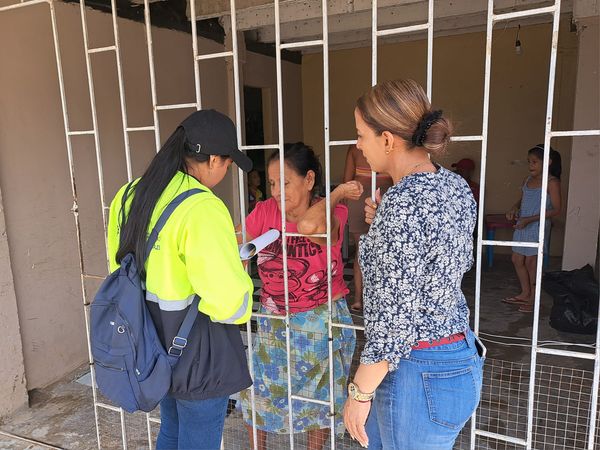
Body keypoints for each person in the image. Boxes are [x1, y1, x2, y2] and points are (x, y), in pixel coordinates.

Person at [342, 79, 485, 450]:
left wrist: (359, 393)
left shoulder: (403, 203)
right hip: (459, 357)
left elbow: (394, 320)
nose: (358, 145)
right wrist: (383, 227)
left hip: (418, 369)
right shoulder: (454, 185)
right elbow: (442, 262)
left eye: (361, 135)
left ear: (388, 140)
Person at [106, 110, 255, 450]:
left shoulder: (127, 194)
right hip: (196, 351)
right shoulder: (202, 207)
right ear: (213, 159)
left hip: (147, 343)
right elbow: (228, 302)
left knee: (171, 430)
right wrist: (237, 271)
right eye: (228, 163)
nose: (226, 170)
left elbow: (120, 266)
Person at [239, 142, 360, 450]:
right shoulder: (264, 211)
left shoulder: (333, 211)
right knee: (260, 391)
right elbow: (237, 245)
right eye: (272, 183)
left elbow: (310, 227)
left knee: (320, 398)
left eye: (285, 182)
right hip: (274, 319)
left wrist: (336, 194)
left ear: (309, 180)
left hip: (320, 319)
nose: (277, 191)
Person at [503, 144, 562, 313]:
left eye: (534, 162)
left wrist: (529, 219)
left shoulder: (552, 183)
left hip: (537, 226)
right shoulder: (527, 180)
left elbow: (557, 210)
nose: (530, 165)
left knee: (531, 262)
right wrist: (514, 208)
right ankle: (525, 293)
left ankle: (534, 299)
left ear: (548, 162)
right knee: (517, 259)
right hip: (522, 224)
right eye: (529, 162)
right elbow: (522, 200)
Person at [343, 144, 393, 311]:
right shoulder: (391, 146)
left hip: (358, 198)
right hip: (385, 197)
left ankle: (358, 299)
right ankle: (381, 300)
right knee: (386, 251)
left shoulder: (354, 149)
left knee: (361, 250)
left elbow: (347, 181)